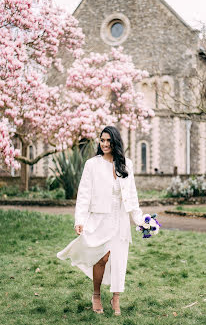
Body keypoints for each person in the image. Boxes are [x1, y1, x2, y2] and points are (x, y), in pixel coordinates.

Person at [57, 126, 143, 316]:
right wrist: (79, 219)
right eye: (102, 140)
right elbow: (84, 194)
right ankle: (96, 295)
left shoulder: (126, 165)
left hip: (120, 219)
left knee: (119, 259)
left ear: (115, 143)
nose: (104, 144)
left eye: (108, 141)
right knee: (102, 257)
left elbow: (133, 196)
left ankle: (116, 298)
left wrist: (141, 221)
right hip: (99, 218)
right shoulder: (92, 164)